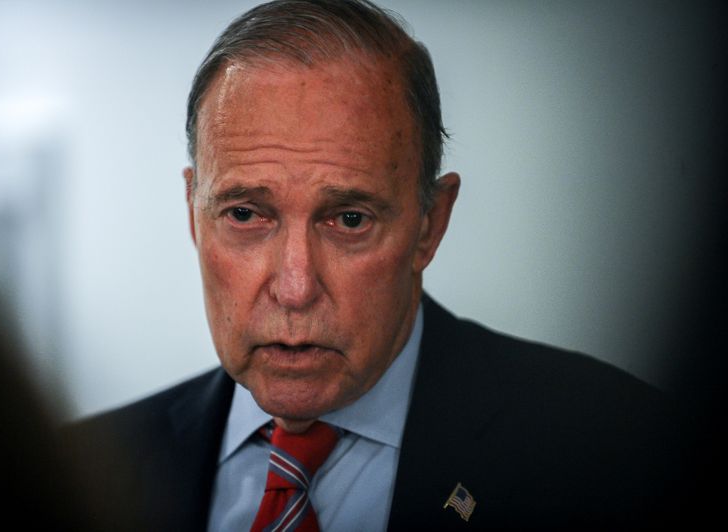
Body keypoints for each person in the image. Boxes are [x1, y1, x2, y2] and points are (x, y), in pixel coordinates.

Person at [68, 0, 682, 529]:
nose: (294, 287)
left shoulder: (615, 451)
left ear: (429, 225)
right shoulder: (80, 472)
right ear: (193, 214)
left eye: (350, 220)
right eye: (246, 215)